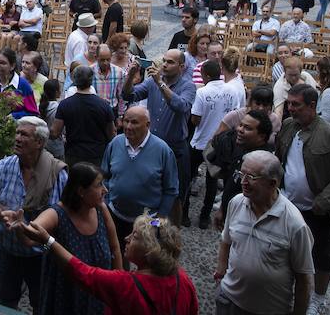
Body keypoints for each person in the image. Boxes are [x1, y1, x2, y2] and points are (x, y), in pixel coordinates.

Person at [276, 84, 330, 315]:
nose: (290, 109)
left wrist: (324, 200)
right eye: (289, 103)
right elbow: (281, 158)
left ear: (312, 106)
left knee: (322, 258)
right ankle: (291, 292)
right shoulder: (288, 126)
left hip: (318, 211)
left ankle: (318, 300)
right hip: (289, 206)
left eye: (296, 104)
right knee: (287, 253)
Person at [19, 210, 198, 315]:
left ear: (149, 251)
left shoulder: (125, 285)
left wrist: (48, 240)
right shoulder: (183, 279)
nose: (127, 238)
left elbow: (82, 272)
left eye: (134, 236)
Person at [0, 117, 68, 311]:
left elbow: (62, 217)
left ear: (40, 142)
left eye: (24, 134)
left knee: (41, 302)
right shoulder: (5, 166)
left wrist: (26, 226)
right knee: (5, 300)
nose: (17, 138)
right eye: (17, 133)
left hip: (40, 256)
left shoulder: (57, 173)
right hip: (6, 250)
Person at [3, 162, 121, 315]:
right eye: (99, 185)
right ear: (81, 191)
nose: (105, 190)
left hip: (97, 297)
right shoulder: (57, 214)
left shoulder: (101, 209)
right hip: (66, 300)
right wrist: (20, 226)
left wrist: (119, 284)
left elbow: (115, 248)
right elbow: (29, 238)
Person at [215, 151, 314, 315]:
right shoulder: (236, 203)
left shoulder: (295, 224)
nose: (243, 182)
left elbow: (304, 279)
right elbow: (226, 241)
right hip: (229, 301)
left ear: (272, 183)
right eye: (242, 174)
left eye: (251, 177)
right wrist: (220, 273)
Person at [122, 50, 197, 227]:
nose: (164, 64)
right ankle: (153, 228)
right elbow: (128, 95)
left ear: (181, 66)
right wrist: (131, 75)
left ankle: (173, 233)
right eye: (163, 61)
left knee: (176, 195)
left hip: (175, 148)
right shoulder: (151, 82)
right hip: (152, 148)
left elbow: (180, 106)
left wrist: (160, 83)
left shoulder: (188, 86)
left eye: (170, 62)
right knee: (151, 189)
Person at [102, 106, 179, 256]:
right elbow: (105, 176)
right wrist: (107, 203)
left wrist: (159, 220)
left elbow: (171, 189)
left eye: (135, 122)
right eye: (126, 121)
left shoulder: (163, 150)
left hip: (148, 222)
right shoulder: (115, 144)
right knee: (118, 252)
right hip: (116, 214)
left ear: (147, 125)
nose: (128, 127)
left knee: (146, 257)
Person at [189, 60, 243, 229]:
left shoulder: (202, 92)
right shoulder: (232, 90)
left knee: (189, 176)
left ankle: (183, 213)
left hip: (200, 142)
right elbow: (235, 114)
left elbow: (195, 119)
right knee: (212, 182)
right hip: (220, 143)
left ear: (205, 74)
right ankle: (205, 217)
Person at [207, 110, 274, 230]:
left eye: (247, 128)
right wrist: (223, 209)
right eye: (241, 125)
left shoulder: (265, 164)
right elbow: (231, 182)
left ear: (262, 136)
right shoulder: (240, 149)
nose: (239, 129)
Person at [52, 66, 117, 167]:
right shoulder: (104, 105)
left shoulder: (65, 105)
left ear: (74, 80)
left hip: (73, 155)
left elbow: (55, 132)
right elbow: (112, 134)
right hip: (97, 156)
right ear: (91, 81)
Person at [0, 48, 40, 120]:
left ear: (12, 66)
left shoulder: (23, 85)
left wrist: (14, 116)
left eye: (2, 63)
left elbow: (33, 113)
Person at [273, 57, 318, 121]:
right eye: (290, 75)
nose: (293, 78)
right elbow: (279, 112)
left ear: (301, 71)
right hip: (290, 117)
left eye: (296, 75)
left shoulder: (307, 77)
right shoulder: (279, 87)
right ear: (284, 72)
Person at [91, 45, 127, 117]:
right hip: (94, 111)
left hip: (112, 110)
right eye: (102, 60)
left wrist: (120, 115)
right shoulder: (90, 71)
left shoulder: (119, 72)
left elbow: (121, 95)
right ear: (96, 58)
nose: (105, 63)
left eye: (108, 59)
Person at [39, 80, 65, 159]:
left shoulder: (40, 106)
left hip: (43, 146)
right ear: (56, 92)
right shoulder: (58, 108)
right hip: (56, 148)